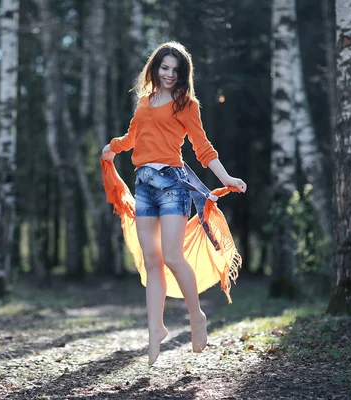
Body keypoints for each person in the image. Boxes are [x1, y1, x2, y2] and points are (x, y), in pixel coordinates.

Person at [101, 41, 247, 366]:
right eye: (164, 68)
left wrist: (226, 179)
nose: (169, 74)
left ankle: (197, 315)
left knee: (172, 256)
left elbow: (202, 147)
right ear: (155, 68)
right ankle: (156, 329)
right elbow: (132, 137)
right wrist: (111, 149)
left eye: (175, 70)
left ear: (182, 75)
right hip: (144, 185)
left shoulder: (186, 104)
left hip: (171, 184)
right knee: (152, 261)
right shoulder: (144, 101)